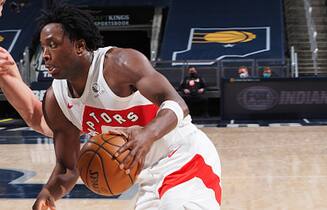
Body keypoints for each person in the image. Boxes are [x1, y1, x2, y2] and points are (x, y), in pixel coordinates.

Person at [33, 4, 221, 210]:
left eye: (52, 45)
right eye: (43, 47)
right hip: (147, 176)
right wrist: (48, 194)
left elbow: (177, 103)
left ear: (79, 46)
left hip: (184, 157)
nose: (45, 55)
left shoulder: (119, 64)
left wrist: (147, 134)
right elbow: (67, 169)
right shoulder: (56, 100)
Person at [0, 0, 53, 137]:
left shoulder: (3, 61)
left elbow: (36, 116)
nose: (0, 13)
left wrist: (86, 127)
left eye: (1, 5)